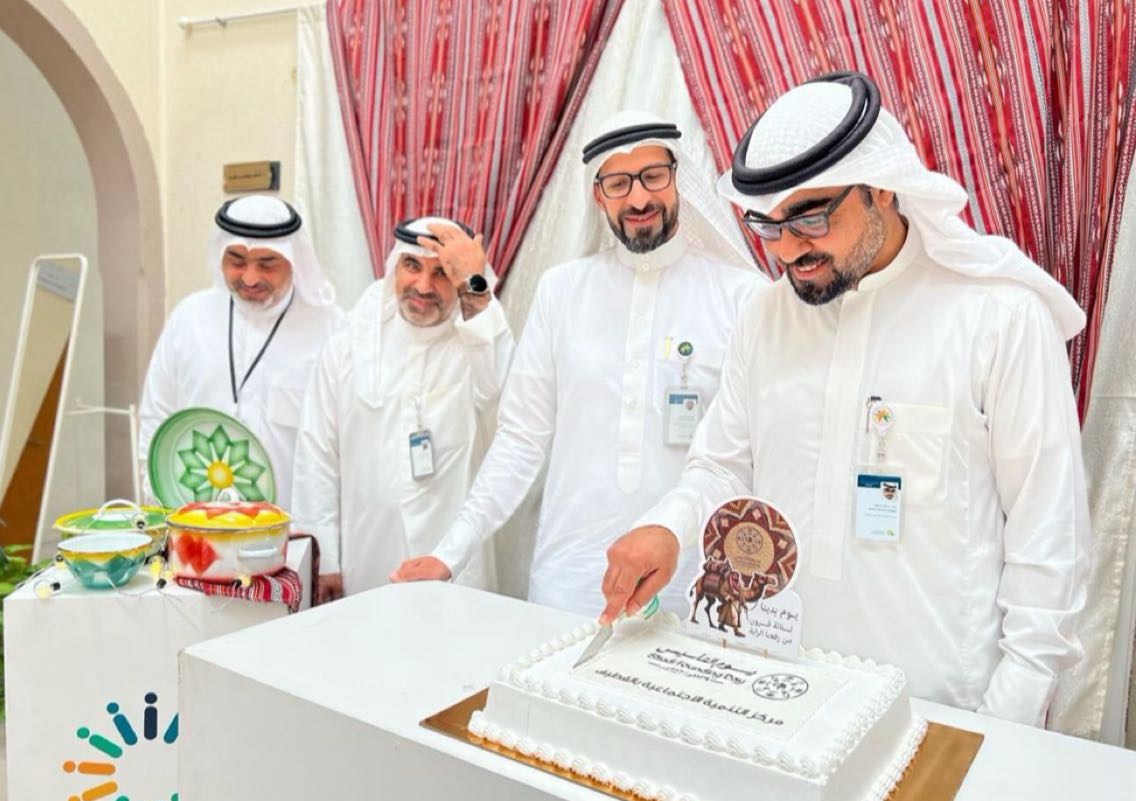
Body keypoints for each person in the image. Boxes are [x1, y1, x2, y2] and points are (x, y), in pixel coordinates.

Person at [604, 72, 1090, 726]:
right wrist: (668, 525)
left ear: (881, 186)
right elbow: (724, 464)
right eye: (768, 226)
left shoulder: (998, 318)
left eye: (811, 217)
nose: (788, 249)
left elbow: (1049, 540)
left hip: (938, 707)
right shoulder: (766, 317)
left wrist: (1003, 722)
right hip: (774, 689)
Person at [391, 111, 767, 616]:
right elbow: (521, 438)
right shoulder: (562, 291)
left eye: (653, 176)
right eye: (618, 183)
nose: (639, 198)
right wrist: (450, 551)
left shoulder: (742, 296)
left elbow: (747, 460)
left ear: (678, 178)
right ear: (598, 195)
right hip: (568, 581)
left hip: (695, 586)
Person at [291, 217, 514, 602]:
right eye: (412, 266)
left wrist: (474, 283)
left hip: (455, 563)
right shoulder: (349, 346)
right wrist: (325, 555)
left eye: (442, 272)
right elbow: (318, 453)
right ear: (395, 266)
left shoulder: (480, 343)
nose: (423, 286)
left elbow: (502, 396)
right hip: (368, 554)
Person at [139, 195, 344, 511]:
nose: (249, 277)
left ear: (293, 260)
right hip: (195, 525)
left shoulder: (329, 329)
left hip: (293, 525)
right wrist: (156, 496)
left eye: (267, 264)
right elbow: (156, 415)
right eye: (236, 261)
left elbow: (344, 445)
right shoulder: (190, 319)